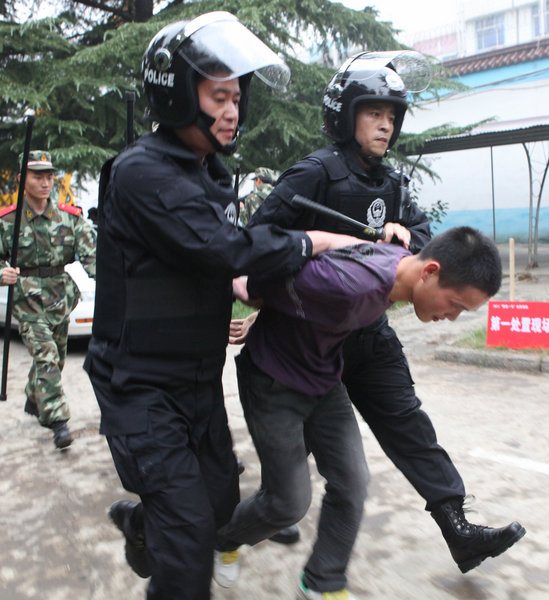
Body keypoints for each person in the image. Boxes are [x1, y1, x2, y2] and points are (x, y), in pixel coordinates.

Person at [83, 12, 361, 600]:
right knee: (186, 555)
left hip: (196, 382)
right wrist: (315, 241)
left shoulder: (209, 172)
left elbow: (212, 263)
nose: (232, 111)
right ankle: (160, 536)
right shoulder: (141, 173)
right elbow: (222, 247)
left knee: (217, 508)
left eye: (237, 96)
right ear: (179, 94)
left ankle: (140, 524)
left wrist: (243, 290)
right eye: (218, 96)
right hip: (141, 387)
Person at [237, 50, 526, 573]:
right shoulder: (313, 173)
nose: (386, 126)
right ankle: (272, 506)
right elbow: (258, 239)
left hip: (369, 330)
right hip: (309, 332)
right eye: (375, 113)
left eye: (393, 117)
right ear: (345, 113)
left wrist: (406, 234)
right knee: (300, 432)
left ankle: (456, 525)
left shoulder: (391, 182)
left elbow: (427, 240)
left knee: (407, 423)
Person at [219, 227, 507, 599]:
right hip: (273, 382)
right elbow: (259, 281)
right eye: (455, 305)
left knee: (353, 482)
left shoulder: (395, 260)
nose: (450, 317)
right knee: (288, 503)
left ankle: (324, 580)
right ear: (430, 271)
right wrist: (247, 287)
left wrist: (317, 243)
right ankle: (220, 538)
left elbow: (338, 243)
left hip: (324, 380)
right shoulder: (346, 287)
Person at [0, 150, 96, 449]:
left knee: (57, 357)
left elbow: (93, 258)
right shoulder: (8, 222)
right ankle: (58, 421)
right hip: (27, 299)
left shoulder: (70, 218)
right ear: (21, 179)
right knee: (47, 357)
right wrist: (1, 273)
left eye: (49, 176)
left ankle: (34, 398)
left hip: (60, 297)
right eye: (37, 176)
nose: (45, 182)